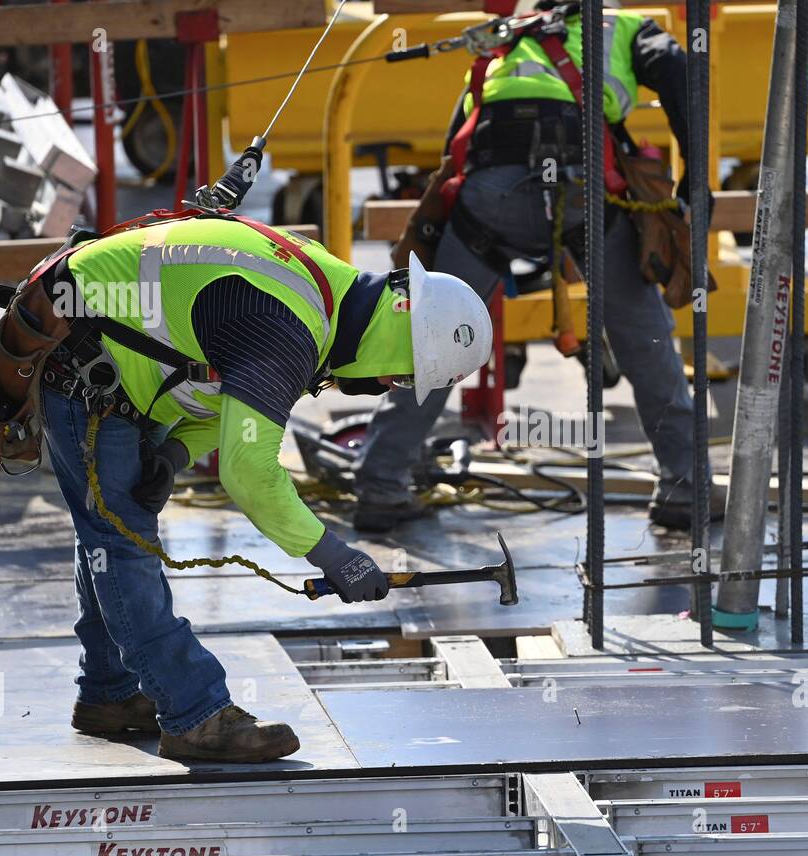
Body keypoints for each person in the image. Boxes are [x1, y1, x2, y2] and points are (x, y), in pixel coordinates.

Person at [26, 217, 490, 762]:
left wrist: (175, 453)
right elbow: (249, 471)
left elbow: (223, 385)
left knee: (110, 534)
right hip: (83, 359)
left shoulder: (326, 297)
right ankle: (194, 713)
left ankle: (110, 694)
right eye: (405, 376)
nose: (389, 388)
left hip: (117, 357)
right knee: (120, 536)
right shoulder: (289, 329)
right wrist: (332, 554)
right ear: (401, 336)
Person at [353, 0, 715, 533]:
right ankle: (685, 488)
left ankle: (381, 484)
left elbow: (461, 141)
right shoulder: (626, 26)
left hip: (487, 198)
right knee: (645, 340)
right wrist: (696, 178)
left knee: (430, 342)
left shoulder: (506, 38)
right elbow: (683, 75)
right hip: (581, 184)